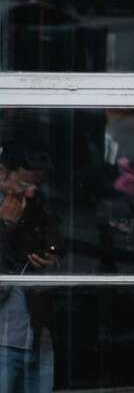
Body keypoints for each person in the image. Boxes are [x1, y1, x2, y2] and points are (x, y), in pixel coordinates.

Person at [0, 145, 57, 393]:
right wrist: (5, 225)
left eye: (38, 185)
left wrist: (52, 262)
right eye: (24, 184)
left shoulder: (38, 208)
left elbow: (57, 247)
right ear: (2, 173)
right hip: (5, 338)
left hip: (36, 332)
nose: (32, 192)